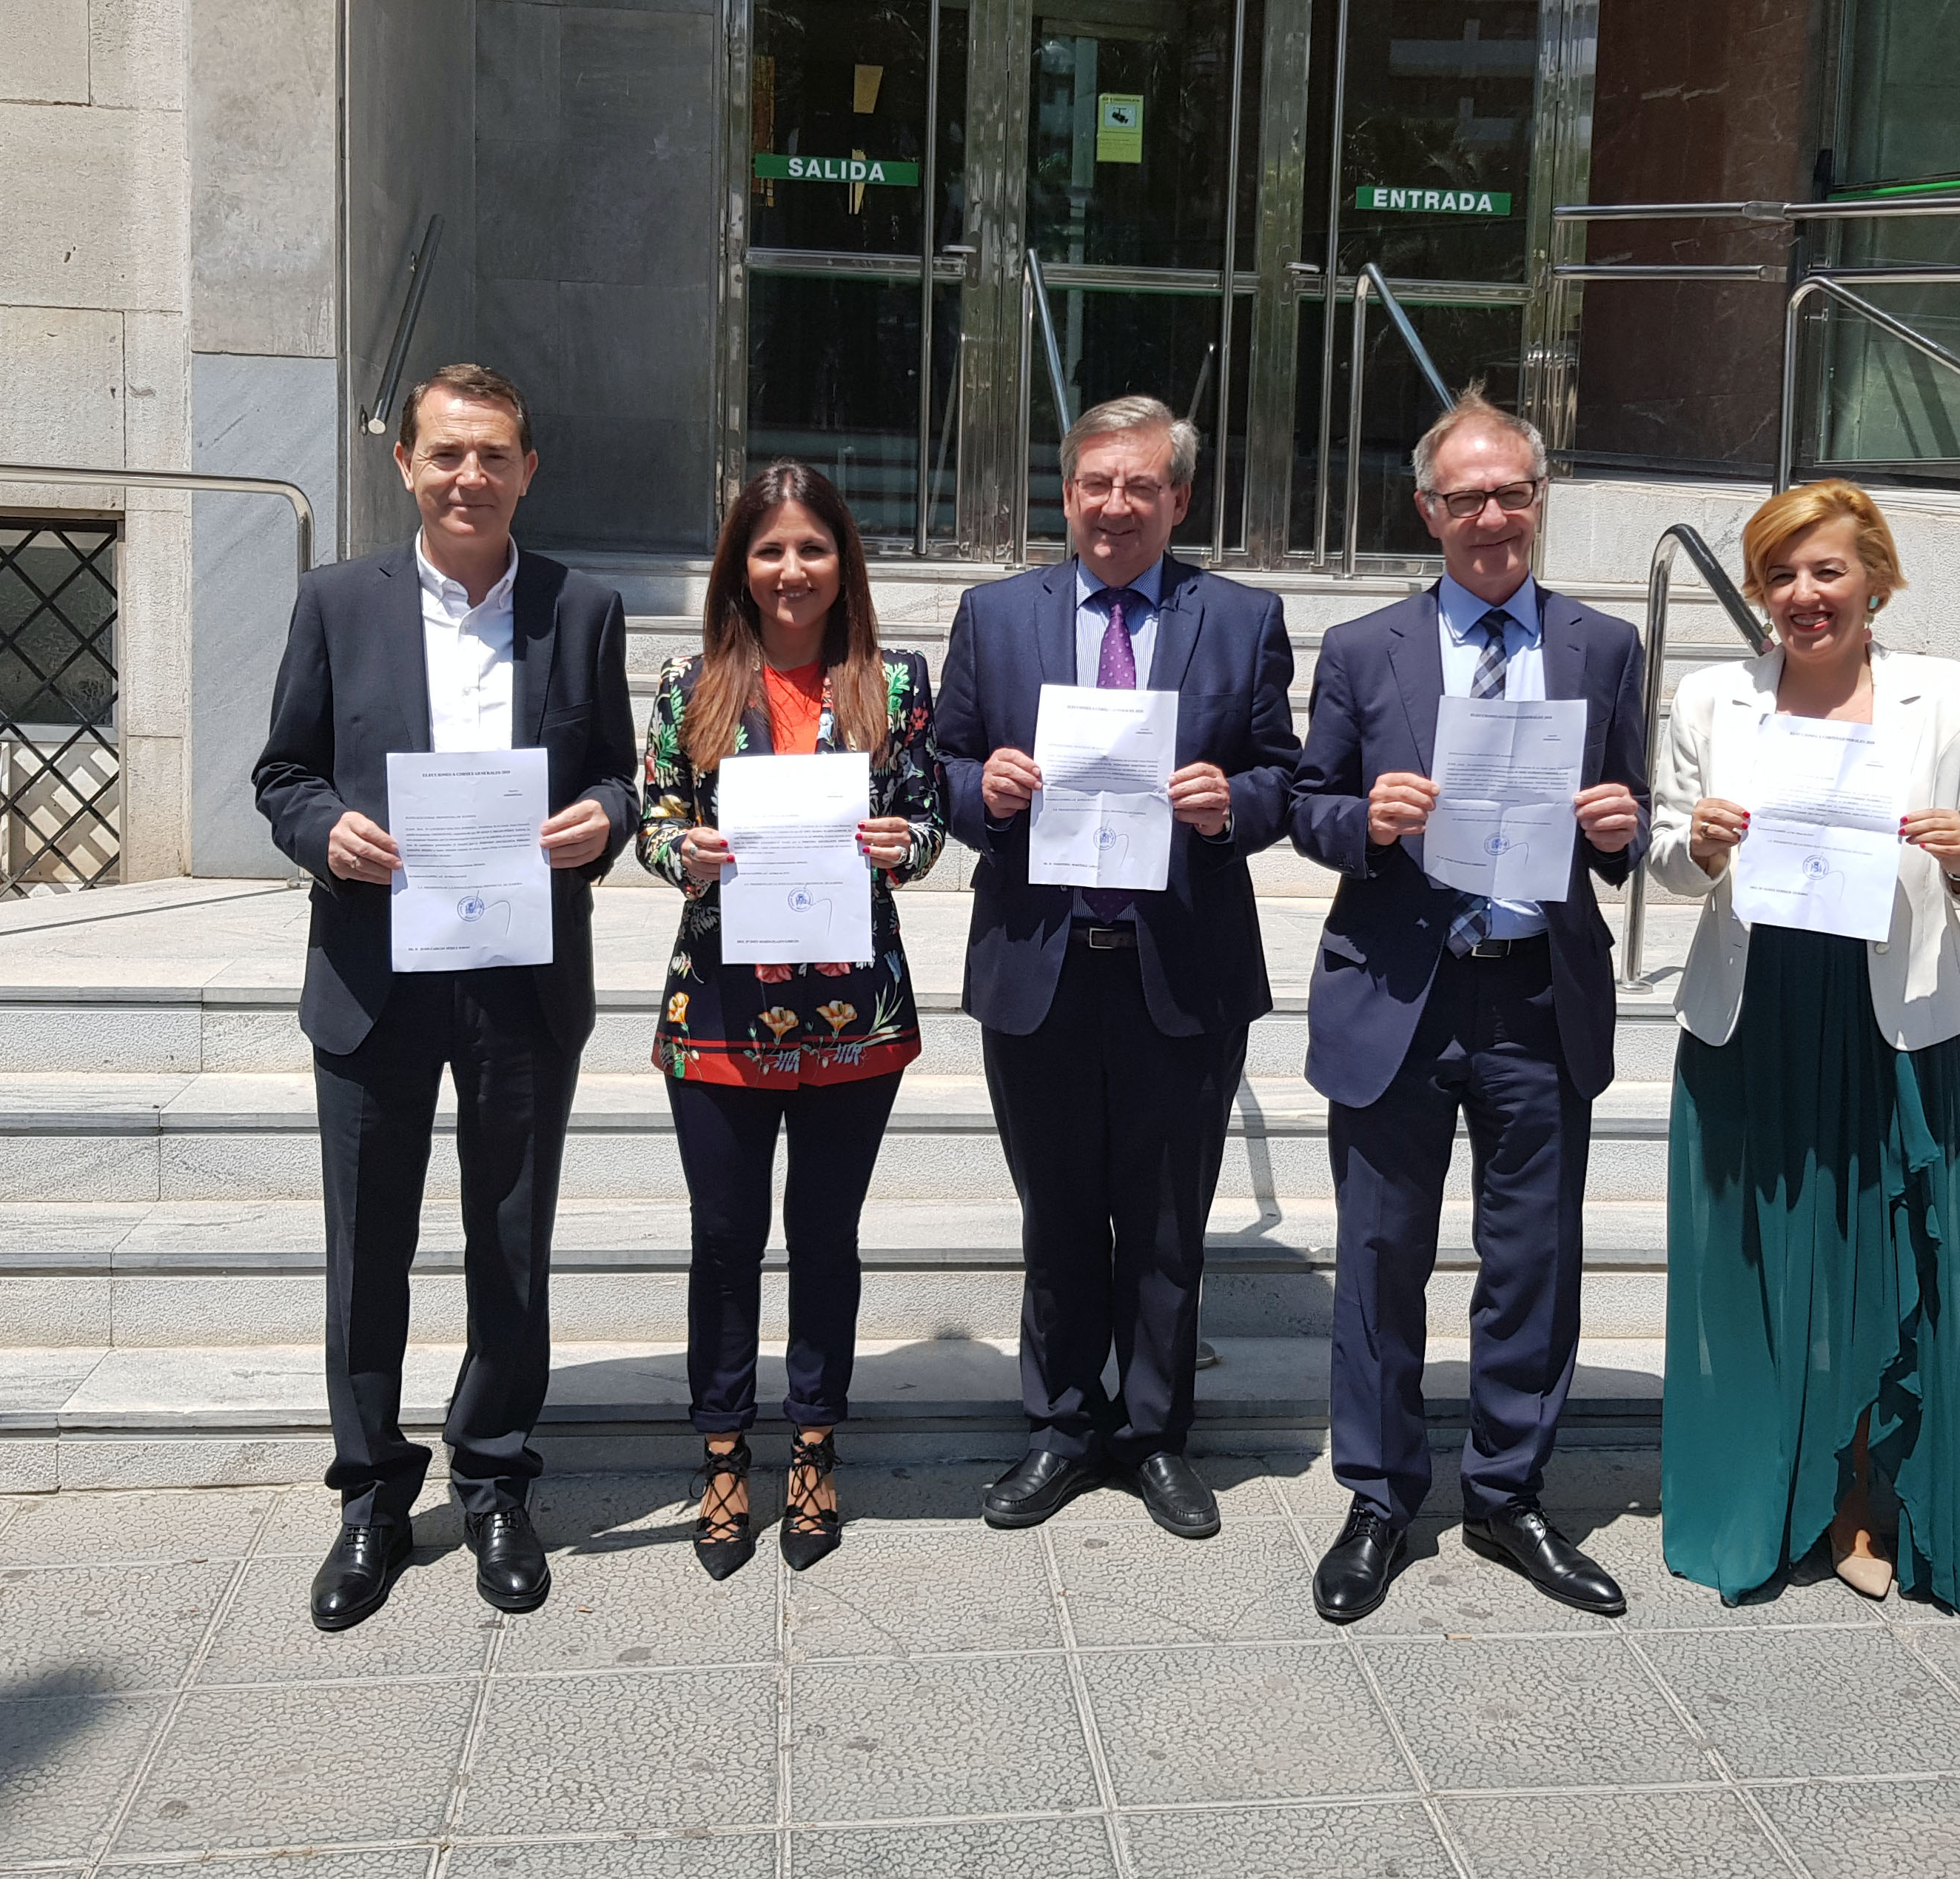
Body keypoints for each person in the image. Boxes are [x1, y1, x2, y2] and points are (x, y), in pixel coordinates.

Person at [252, 363, 639, 1630]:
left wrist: (605, 822)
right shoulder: (334, 603)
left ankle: (491, 1473)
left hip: (521, 975)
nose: (468, 475)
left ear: (529, 467)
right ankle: (370, 1488)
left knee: (510, 1236)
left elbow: (623, 783)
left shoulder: (581, 608)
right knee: (368, 1245)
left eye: (494, 454)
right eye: (446, 454)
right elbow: (283, 771)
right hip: (377, 972)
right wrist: (326, 833)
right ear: (407, 466)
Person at [1289, 389, 1647, 1625]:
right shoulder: (1360, 649)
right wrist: (1363, 820)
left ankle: (1505, 1491)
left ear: (1538, 502)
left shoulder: (1601, 647)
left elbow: (1628, 818)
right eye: (1466, 497)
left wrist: (1623, 826)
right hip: (1399, 990)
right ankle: (1382, 1496)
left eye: (1513, 492)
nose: (1492, 515)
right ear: (1427, 511)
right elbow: (1306, 805)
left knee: (1532, 1261)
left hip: (1534, 998)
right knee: (1380, 1262)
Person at [933, 395, 1299, 1538]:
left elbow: (1292, 776)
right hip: (1038, 964)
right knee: (1056, 1213)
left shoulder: (1239, 618)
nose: (1115, 503)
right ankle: (1060, 1426)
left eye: (1142, 484)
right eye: (1096, 481)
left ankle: (1153, 1435)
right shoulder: (996, 616)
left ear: (1179, 499)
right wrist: (976, 792)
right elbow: (936, 761)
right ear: (1066, 489)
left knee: (1162, 1224)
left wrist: (1231, 800)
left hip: (1177, 967)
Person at [1651, 478, 1960, 1615]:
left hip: (1886, 1015)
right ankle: (1758, 1488)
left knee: (1880, 1254)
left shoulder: (1940, 695)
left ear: (1875, 577)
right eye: (1779, 574)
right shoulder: (1713, 698)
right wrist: (1698, 846)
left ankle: (1864, 1491)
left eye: (1825, 571)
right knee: (1754, 1264)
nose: (1802, 596)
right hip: (1755, 1009)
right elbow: (1663, 856)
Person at [635, 463, 944, 1578]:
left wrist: (907, 845)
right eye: (769, 549)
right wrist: (688, 852)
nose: (791, 569)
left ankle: (814, 1443)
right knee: (723, 1241)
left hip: (853, 1014)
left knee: (823, 1235)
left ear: (841, 560)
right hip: (719, 1005)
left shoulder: (894, 681)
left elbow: (927, 807)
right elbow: (653, 815)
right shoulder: (691, 681)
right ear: (740, 564)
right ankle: (724, 1452)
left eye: (811, 547)